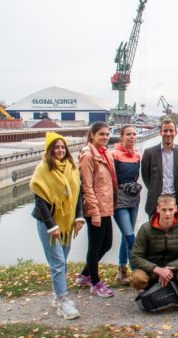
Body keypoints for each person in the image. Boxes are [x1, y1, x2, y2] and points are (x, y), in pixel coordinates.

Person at [30, 132, 84, 320]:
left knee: (61, 261)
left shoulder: (72, 167)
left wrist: (79, 217)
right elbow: (40, 201)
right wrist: (51, 226)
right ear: (49, 150)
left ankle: (56, 294)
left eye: (63, 147)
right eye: (56, 148)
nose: (60, 150)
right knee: (58, 262)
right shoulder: (42, 169)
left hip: (67, 223)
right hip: (49, 224)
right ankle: (63, 301)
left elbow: (78, 193)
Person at [75, 122, 117, 298]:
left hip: (106, 206)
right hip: (96, 207)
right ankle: (95, 283)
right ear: (92, 135)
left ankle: (84, 275)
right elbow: (87, 185)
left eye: (107, 134)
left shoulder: (104, 153)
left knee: (106, 244)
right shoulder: (88, 155)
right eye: (101, 134)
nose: (105, 137)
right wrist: (94, 211)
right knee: (95, 247)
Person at [130, 194, 178, 294]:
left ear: (175, 209)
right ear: (158, 209)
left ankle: (174, 290)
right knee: (137, 279)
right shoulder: (145, 228)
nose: (167, 213)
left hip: (174, 268)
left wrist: (168, 268)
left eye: (170, 209)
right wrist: (156, 269)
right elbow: (135, 256)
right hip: (152, 269)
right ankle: (148, 289)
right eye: (164, 210)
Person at [141, 119, 178, 217]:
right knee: (154, 231)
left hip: (176, 202)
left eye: (171, 131)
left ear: (176, 132)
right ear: (160, 132)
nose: (168, 133)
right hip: (156, 202)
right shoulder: (149, 153)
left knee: (176, 232)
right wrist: (154, 189)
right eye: (165, 130)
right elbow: (146, 177)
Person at [112, 125, 141, 285]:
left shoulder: (137, 155)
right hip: (120, 201)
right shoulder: (114, 154)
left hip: (134, 199)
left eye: (134, 134)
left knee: (126, 235)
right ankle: (138, 274)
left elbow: (136, 177)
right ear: (122, 136)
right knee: (131, 238)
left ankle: (121, 271)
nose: (132, 137)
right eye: (128, 134)